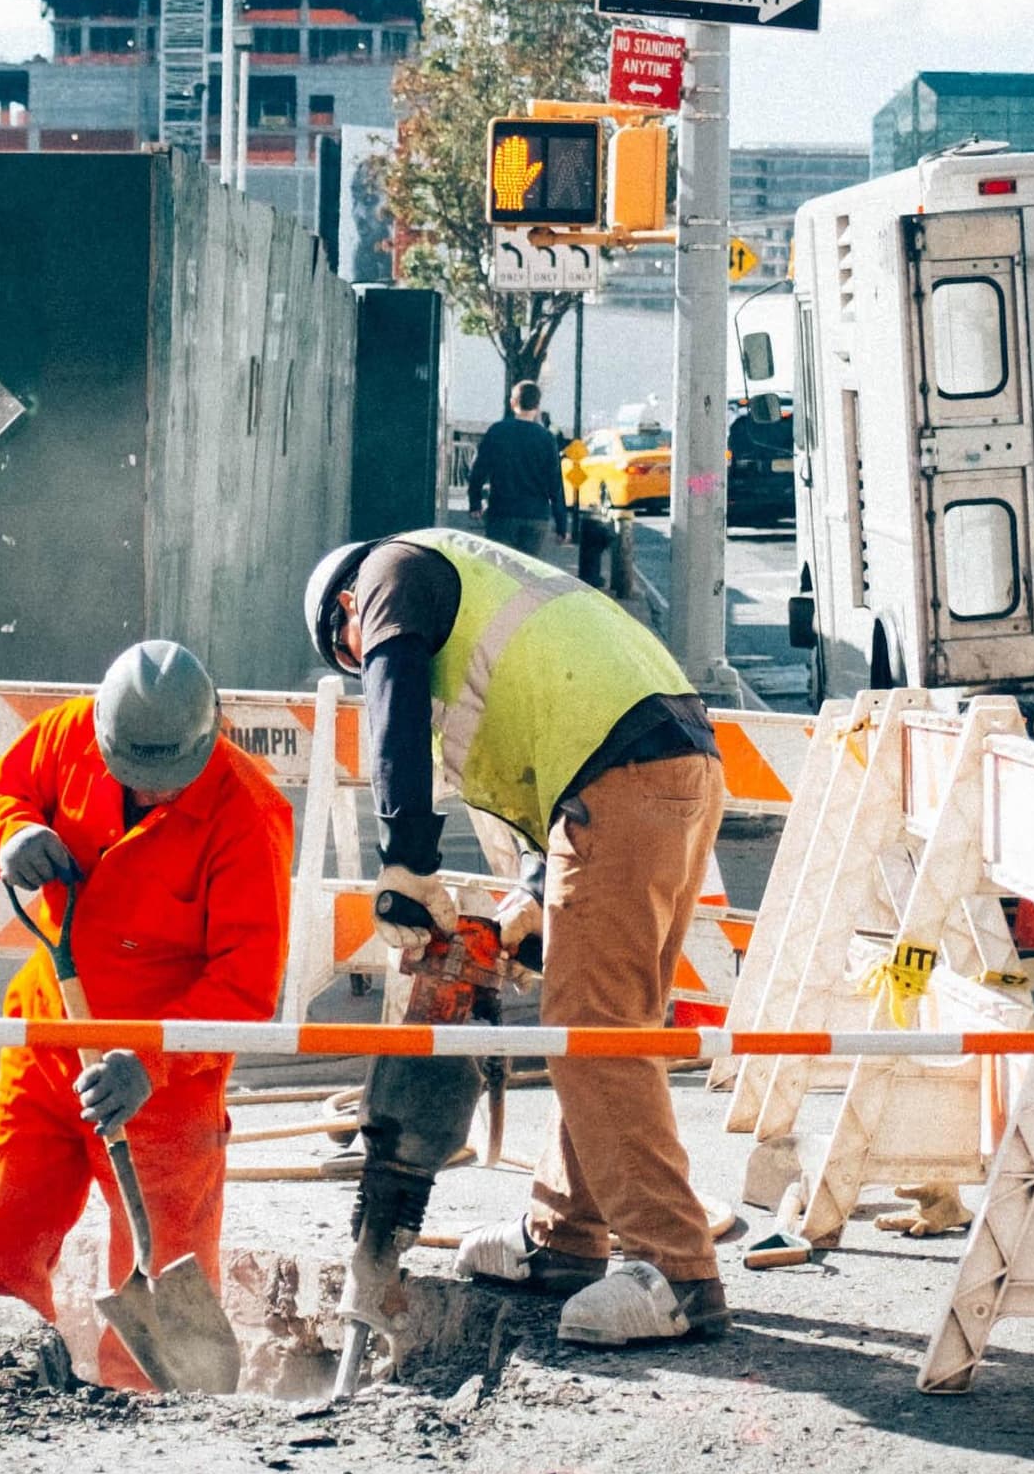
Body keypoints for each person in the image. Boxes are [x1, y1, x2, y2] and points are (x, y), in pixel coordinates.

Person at [307, 525, 728, 1346]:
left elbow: (391, 699)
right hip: (668, 762)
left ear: (347, 610)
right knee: (600, 1017)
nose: (362, 665)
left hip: (625, 774)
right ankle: (563, 1236)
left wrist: (406, 864)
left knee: (595, 1031)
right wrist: (537, 893)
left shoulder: (391, 571)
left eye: (351, 652)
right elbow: (556, 724)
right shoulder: (486, 584)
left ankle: (677, 1271)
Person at [0, 639, 290, 1389]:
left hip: (163, 1080)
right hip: (50, 1037)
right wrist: (10, 836)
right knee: (4, 1228)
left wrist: (150, 1061)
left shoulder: (246, 814)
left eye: (166, 781)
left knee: (161, 1256)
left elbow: (246, 985)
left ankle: (146, 1417)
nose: (152, 792)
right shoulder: (69, 733)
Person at [468, 379, 569, 561]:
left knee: (500, 572)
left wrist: (475, 502)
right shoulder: (546, 438)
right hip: (536, 516)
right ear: (537, 406)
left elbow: (478, 471)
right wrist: (562, 524)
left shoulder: (497, 432)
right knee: (526, 573)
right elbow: (555, 484)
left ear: (513, 402)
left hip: (502, 513)